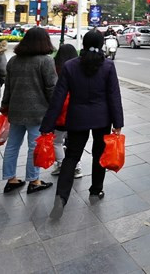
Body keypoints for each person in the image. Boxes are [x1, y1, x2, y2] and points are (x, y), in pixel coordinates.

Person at [42, 31, 124, 219]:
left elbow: (58, 98)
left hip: (77, 118)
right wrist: (118, 123)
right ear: (102, 44)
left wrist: (48, 125)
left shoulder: (70, 66)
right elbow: (114, 96)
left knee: (71, 157)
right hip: (102, 119)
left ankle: (61, 198)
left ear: (83, 44)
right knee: (98, 154)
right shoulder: (108, 66)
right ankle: (96, 190)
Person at [0, 27, 57, 194]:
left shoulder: (14, 60)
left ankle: (11, 179)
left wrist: (5, 106)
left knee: (12, 145)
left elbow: (8, 87)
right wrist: (55, 109)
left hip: (16, 110)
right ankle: (34, 181)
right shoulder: (45, 61)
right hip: (37, 112)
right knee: (34, 147)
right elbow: (51, 88)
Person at [50, 44, 82, 179]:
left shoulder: (54, 68)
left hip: (60, 111)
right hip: (76, 111)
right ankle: (76, 167)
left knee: (57, 141)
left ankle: (62, 165)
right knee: (73, 141)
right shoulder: (79, 67)